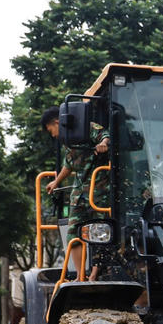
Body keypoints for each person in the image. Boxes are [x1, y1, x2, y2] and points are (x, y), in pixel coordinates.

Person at [41, 106, 109, 280]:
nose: (53, 135)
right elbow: (69, 163)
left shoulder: (86, 127)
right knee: (73, 232)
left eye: (51, 131)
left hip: (98, 188)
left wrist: (103, 144)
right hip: (79, 192)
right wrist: (56, 181)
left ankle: (94, 274)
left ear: (57, 122)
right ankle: (81, 276)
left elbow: (105, 136)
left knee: (99, 232)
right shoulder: (68, 139)